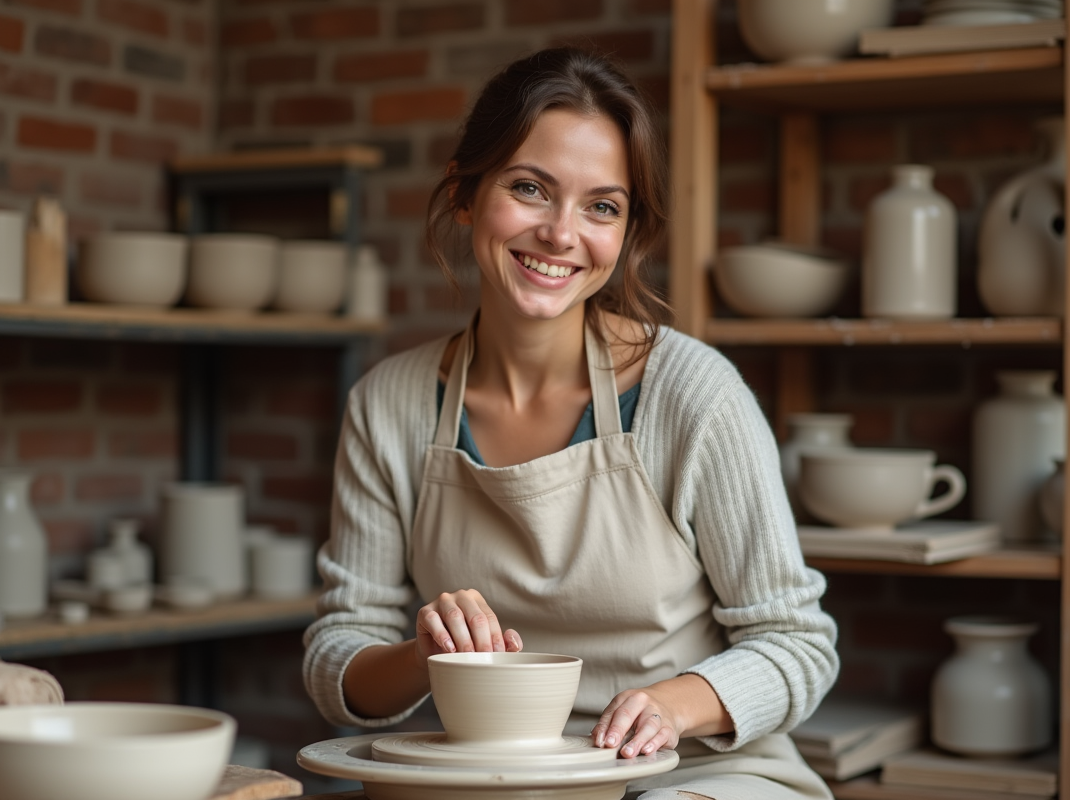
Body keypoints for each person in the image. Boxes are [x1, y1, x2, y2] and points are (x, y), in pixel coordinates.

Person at [303, 47, 839, 800]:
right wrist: (423, 654)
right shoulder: (387, 404)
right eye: (530, 189)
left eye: (601, 207)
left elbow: (798, 644)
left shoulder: (691, 393)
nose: (560, 234)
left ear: (624, 235)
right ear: (465, 193)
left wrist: (672, 705)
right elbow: (338, 662)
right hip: (489, 780)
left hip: (695, 775)